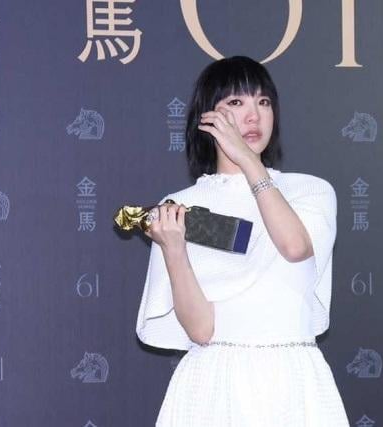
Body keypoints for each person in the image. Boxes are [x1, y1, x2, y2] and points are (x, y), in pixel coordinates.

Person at [135, 56, 349, 426]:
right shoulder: (182, 207)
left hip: (293, 382)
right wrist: (174, 249)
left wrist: (249, 162)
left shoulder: (309, 191)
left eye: (263, 102)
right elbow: (201, 330)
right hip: (213, 383)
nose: (253, 116)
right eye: (236, 102)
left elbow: (295, 246)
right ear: (207, 117)